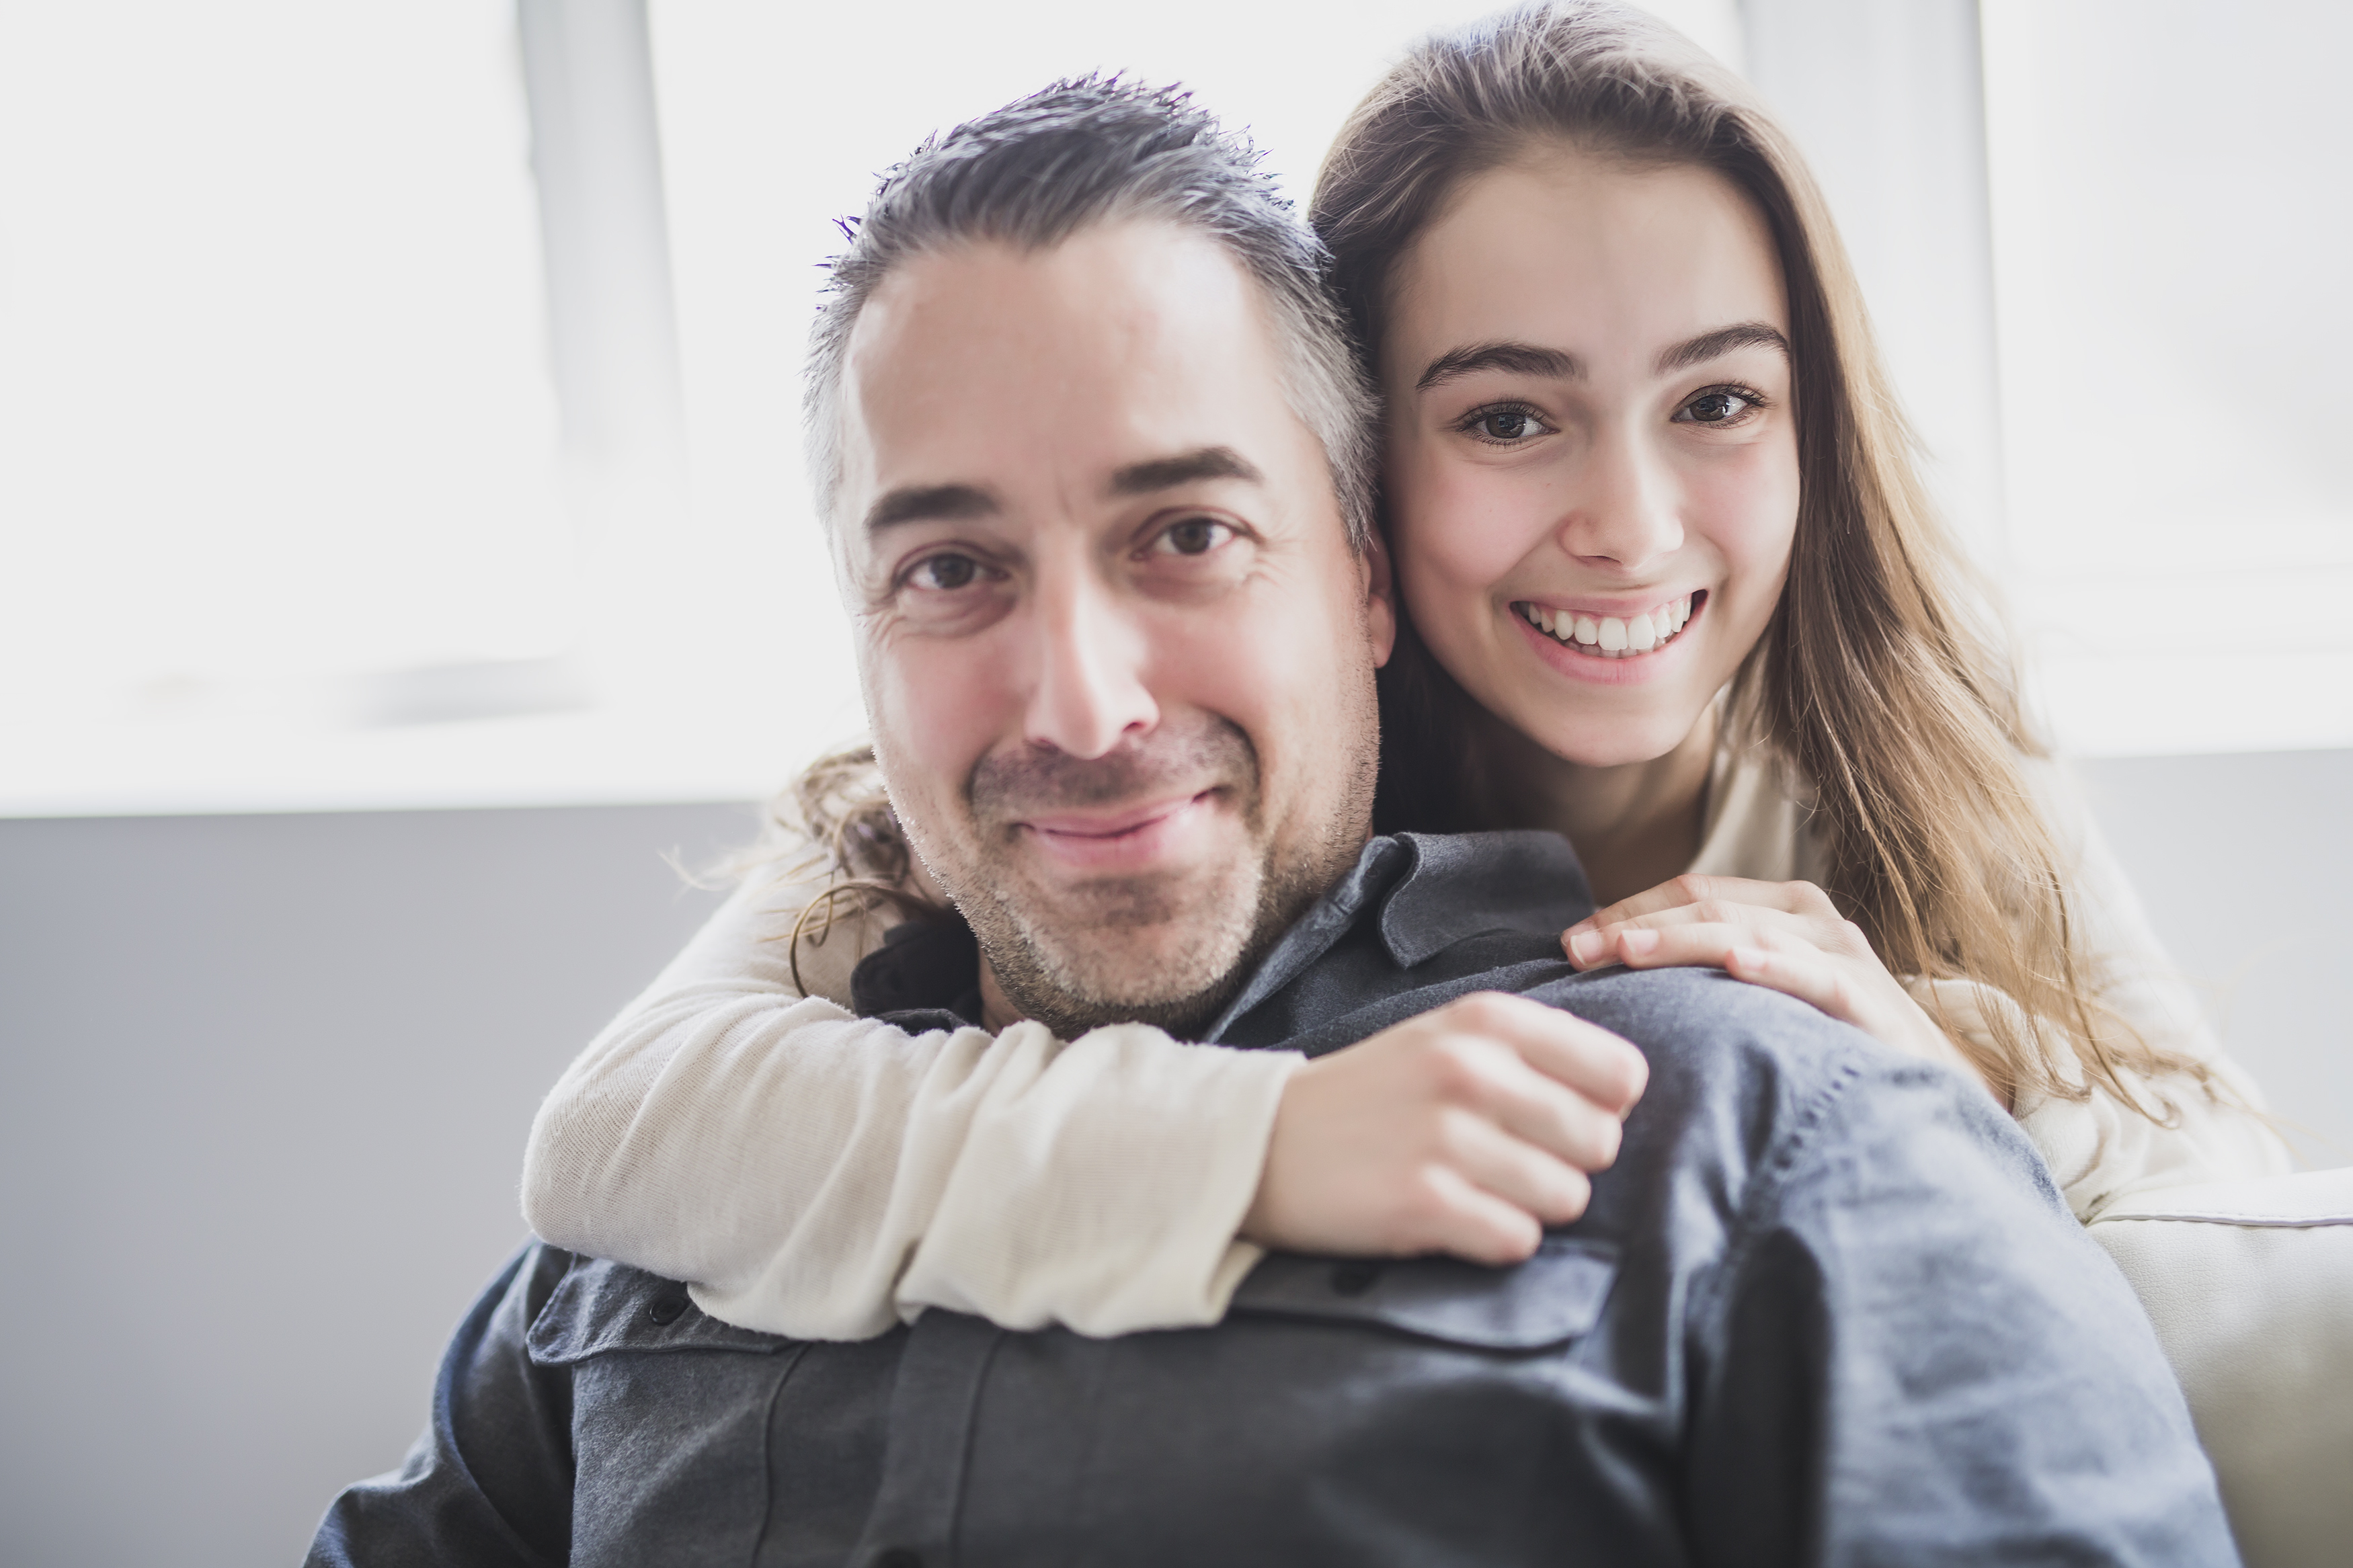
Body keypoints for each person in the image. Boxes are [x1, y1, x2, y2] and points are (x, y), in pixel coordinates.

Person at [311, 74, 2235, 1565]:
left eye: (1189, 535)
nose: (1082, 703)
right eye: (952, 567)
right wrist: (1249, 1141)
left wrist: (1950, 1088)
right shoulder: (704, 1177)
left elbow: (2215, 1197)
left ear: (1354, 576)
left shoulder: (1772, 1100)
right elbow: (604, 1132)